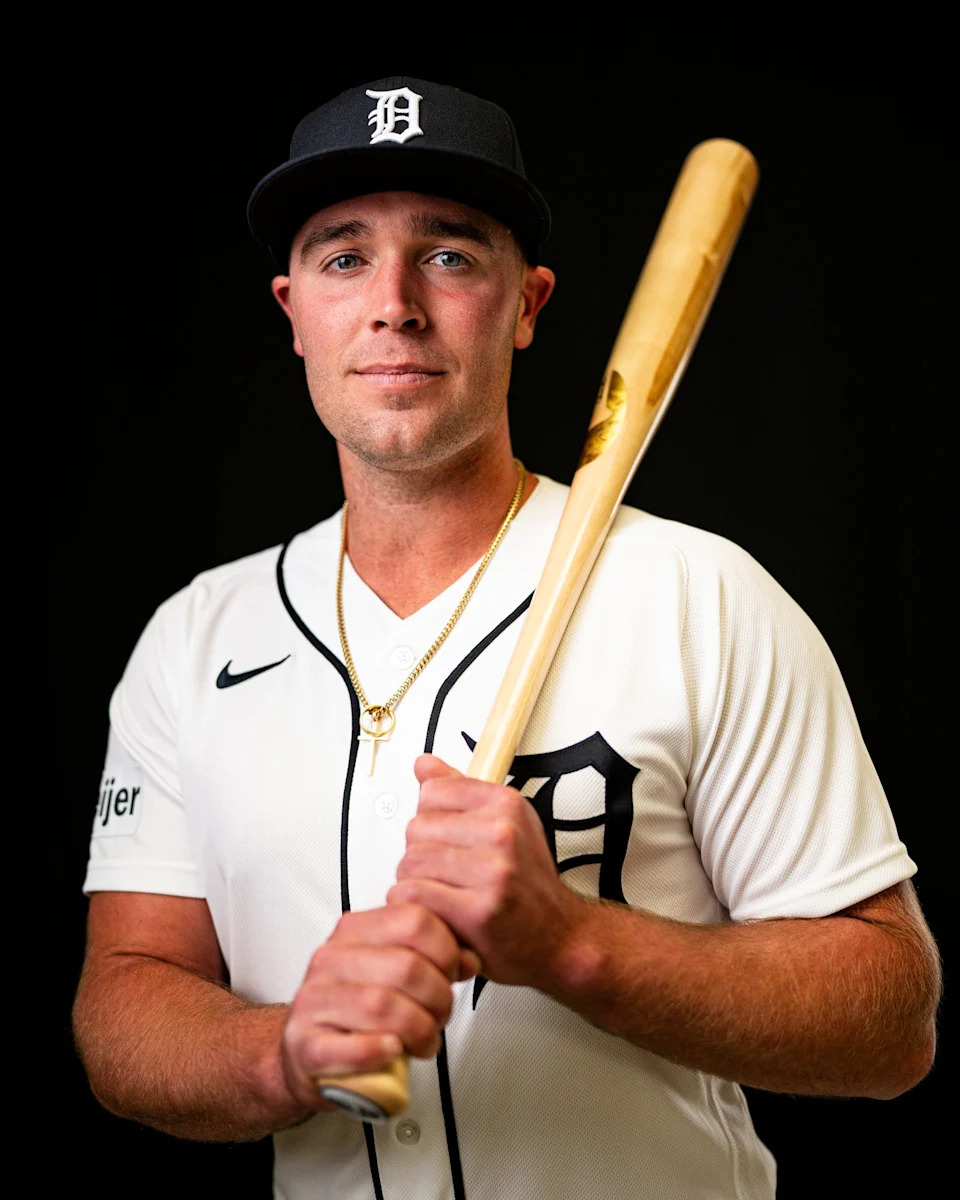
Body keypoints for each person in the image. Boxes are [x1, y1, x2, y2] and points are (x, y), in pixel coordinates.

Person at [73, 76, 940, 1200]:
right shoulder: (194, 639)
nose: (394, 302)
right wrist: (280, 1052)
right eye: (343, 258)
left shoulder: (700, 597)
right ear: (291, 311)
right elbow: (126, 995)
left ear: (526, 305)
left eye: (448, 255)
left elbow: (891, 1022)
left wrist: (573, 945)